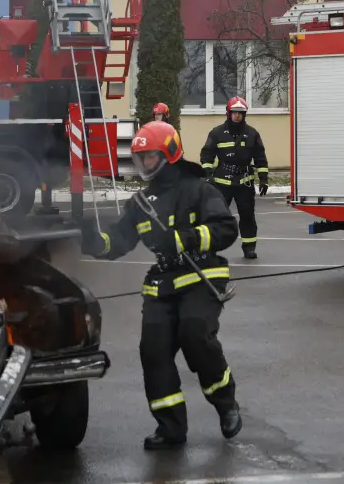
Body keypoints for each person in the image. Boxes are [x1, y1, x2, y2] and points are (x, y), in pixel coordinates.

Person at [80, 121, 242, 449]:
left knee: (195, 333)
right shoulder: (139, 202)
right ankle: (171, 428)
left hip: (201, 276)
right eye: (140, 158)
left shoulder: (198, 189)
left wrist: (185, 239)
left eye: (150, 157)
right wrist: (94, 241)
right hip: (162, 285)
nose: (144, 164)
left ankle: (226, 405)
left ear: (169, 153)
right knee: (153, 351)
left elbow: (226, 229)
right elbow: (119, 241)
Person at [199, 97, 269, 259]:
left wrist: (263, 178)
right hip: (222, 183)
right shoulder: (216, 133)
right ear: (228, 114)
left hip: (245, 183)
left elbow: (260, 158)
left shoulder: (252, 134)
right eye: (235, 113)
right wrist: (208, 174)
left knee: (247, 216)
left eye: (241, 113)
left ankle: (249, 247)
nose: (237, 116)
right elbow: (206, 155)